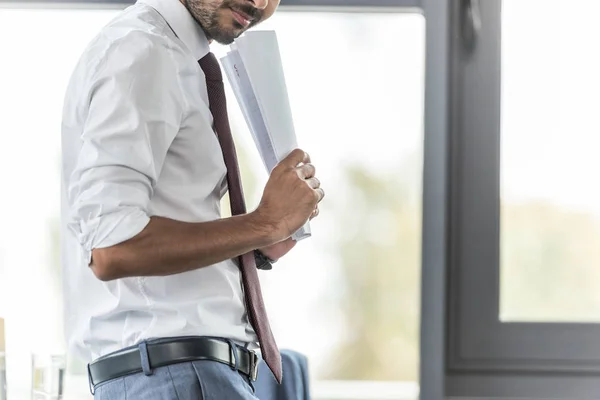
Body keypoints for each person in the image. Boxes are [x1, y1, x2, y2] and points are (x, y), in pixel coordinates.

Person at [60, 0, 324, 398]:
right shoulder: (142, 51)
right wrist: (264, 221)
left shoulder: (174, 58)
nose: (260, 3)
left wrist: (258, 246)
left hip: (187, 375)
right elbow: (113, 247)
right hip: (178, 376)